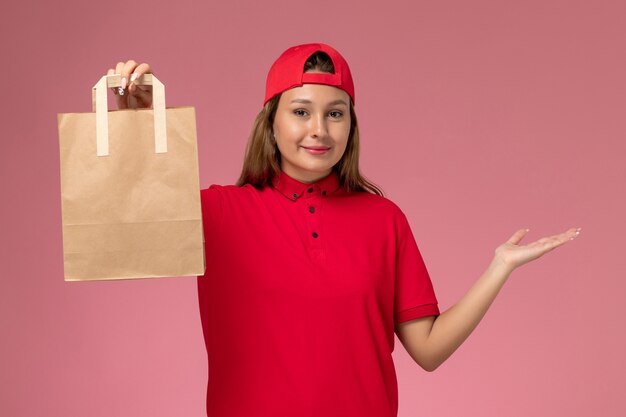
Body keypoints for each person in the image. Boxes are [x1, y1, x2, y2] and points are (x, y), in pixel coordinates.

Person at [107, 43, 581, 417]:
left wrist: (499, 267)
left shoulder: (384, 219)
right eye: (300, 111)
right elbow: (132, 224)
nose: (319, 129)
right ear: (269, 123)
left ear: (350, 126)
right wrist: (140, 120)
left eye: (336, 113)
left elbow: (429, 349)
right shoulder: (216, 212)